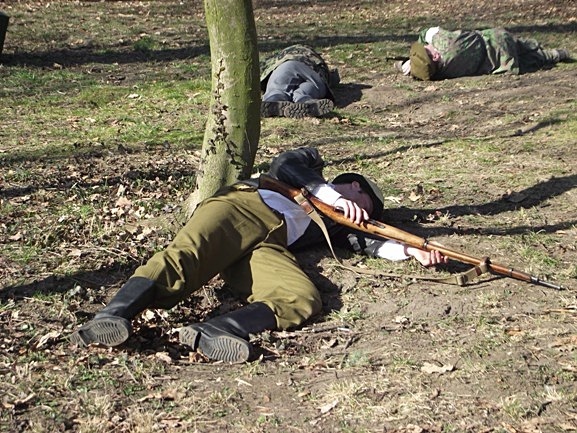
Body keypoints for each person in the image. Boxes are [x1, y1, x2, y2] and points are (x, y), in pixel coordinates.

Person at [70, 147, 446, 363]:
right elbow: (284, 163)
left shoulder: (337, 228)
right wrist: (331, 197)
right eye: (365, 200)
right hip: (241, 208)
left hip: (268, 245)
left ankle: (217, 330)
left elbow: (365, 243)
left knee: (300, 297)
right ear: (350, 184)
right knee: (184, 258)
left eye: (369, 210)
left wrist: (411, 252)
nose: (364, 209)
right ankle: (113, 315)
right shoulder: (311, 173)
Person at [396, 26, 571, 80]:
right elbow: (426, 32)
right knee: (525, 45)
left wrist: (410, 66)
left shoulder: (444, 72)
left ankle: (556, 54)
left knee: (537, 59)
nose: (427, 45)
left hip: (502, 63)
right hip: (497, 38)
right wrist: (419, 47)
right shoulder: (442, 39)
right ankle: (552, 51)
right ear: (434, 56)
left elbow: (425, 70)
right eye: (426, 48)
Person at [260, 44, 340, 118]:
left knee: (277, 88)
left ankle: (274, 100)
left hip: (290, 63)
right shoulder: (317, 61)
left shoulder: (281, 56)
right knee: (304, 92)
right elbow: (334, 78)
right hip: (317, 76)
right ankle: (305, 100)